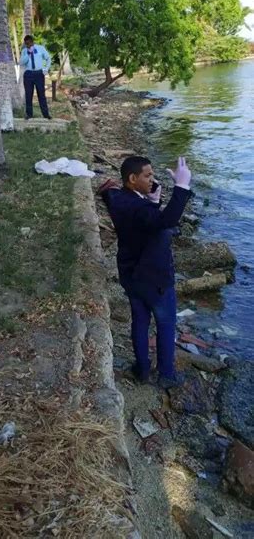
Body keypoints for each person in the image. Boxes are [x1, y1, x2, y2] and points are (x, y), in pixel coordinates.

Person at [105, 155, 192, 388]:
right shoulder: (139, 208)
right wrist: (182, 187)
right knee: (165, 324)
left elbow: (145, 223)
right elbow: (167, 220)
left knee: (140, 321)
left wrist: (152, 201)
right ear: (132, 179)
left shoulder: (118, 199)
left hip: (130, 275)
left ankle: (142, 368)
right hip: (154, 278)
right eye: (148, 175)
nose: (152, 178)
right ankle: (166, 375)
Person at [19, 35, 52, 120]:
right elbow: (22, 63)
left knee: (41, 95)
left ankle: (46, 114)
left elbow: (48, 58)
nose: (28, 45)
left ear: (32, 42)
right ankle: (29, 115)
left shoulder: (40, 48)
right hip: (28, 74)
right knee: (28, 95)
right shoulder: (24, 51)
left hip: (39, 74)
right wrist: (28, 54)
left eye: (29, 43)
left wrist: (46, 69)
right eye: (26, 44)